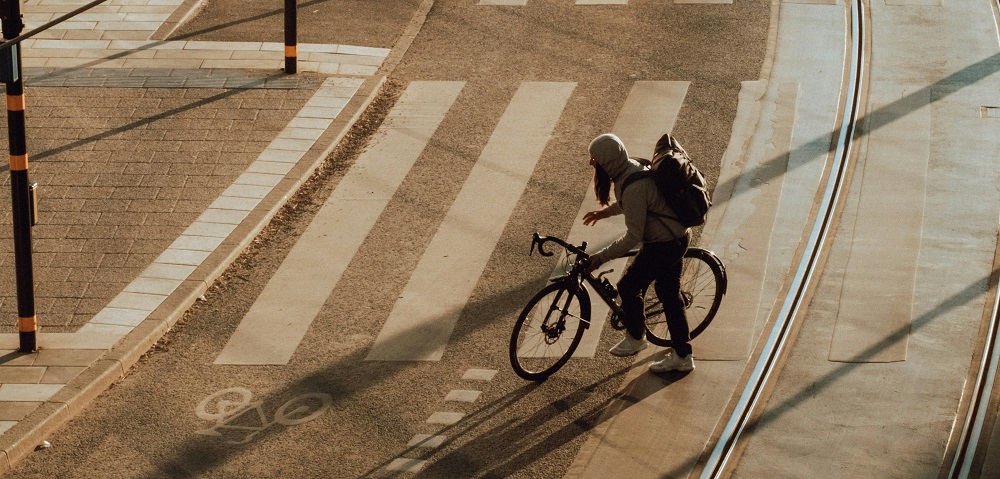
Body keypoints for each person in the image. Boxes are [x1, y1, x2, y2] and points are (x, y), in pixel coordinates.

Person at [582, 133, 694, 373]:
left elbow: (633, 235)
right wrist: (603, 213)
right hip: (674, 236)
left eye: (595, 159)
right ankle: (682, 354)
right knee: (668, 293)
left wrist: (599, 258)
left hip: (665, 244)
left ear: (607, 162)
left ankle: (637, 338)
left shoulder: (632, 185)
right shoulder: (631, 168)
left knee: (629, 287)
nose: (591, 163)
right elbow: (635, 203)